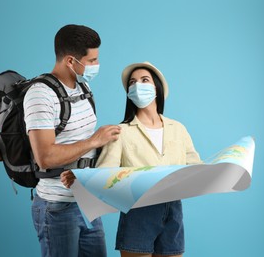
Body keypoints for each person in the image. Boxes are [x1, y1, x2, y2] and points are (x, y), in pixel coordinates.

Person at [62, 61, 202, 257]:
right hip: (139, 212)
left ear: (157, 88)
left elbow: (197, 169)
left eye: (144, 80)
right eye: (132, 83)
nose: (138, 86)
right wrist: (80, 177)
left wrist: (223, 169)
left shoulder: (178, 129)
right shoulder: (120, 132)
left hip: (173, 210)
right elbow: (104, 174)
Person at [24, 24, 121, 257]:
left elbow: (80, 138)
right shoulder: (40, 94)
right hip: (57, 206)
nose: (96, 66)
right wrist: (94, 142)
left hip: (87, 200)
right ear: (70, 61)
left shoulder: (83, 87)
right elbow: (45, 157)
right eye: (92, 60)